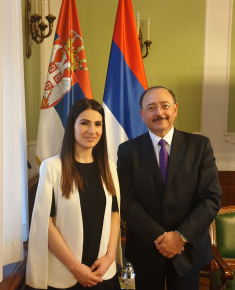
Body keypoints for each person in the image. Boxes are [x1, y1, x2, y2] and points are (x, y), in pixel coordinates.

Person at [117, 86, 222, 290]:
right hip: (146, 250)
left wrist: (179, 236)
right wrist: (161, 238)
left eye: (165, 106)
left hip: (188, 249)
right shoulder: (128, 151)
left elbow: (211, 198)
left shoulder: (200, 146)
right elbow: (127, 200)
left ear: (175, 109)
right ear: (142, 114)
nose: (159, 113)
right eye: (151, 107)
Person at [26, 98, 122, 290]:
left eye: (97, 124)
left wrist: (110, 256)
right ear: (72, 126)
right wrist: (75, 267)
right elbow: (46, 223)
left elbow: (114, 213)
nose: (92, 131)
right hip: (65, 273)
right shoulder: (52, 167)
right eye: (84, 123)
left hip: (102, 270)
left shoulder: (109, 167)